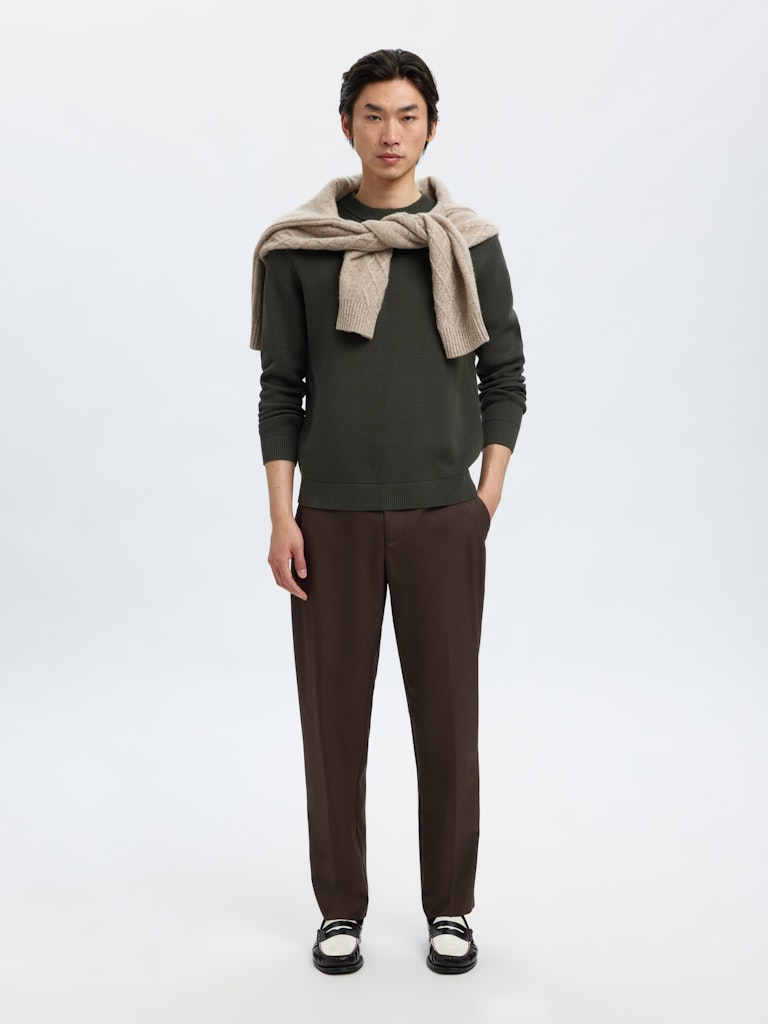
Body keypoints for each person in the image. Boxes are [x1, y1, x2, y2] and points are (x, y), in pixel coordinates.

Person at [251, 48, 526, 975]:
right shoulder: (300, 248)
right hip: (329, 520)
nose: (391, 133)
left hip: (444, 519)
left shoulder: (469, 243)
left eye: (408, 115)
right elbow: (281, 388)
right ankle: (340, 909)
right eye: (373, 114)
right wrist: (282, 516)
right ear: (347, 126)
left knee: (448, 723)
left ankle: (450, 908)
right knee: (333, 725)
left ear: (432, 126)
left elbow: (505, 377)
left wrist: (483, 499)